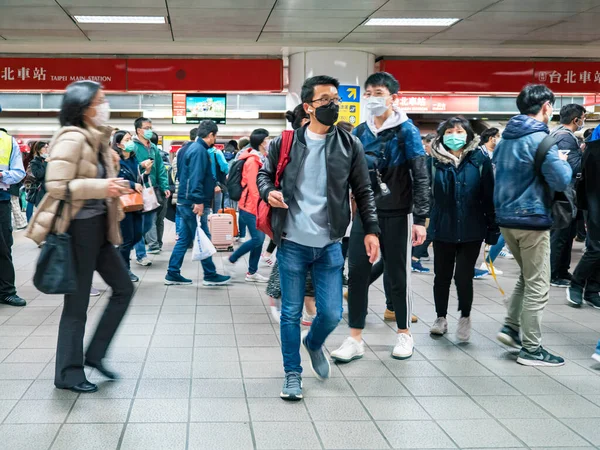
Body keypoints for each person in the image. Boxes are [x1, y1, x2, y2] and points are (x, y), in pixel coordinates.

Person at [258, 75, 379, 401]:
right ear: (308, 107)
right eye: (325, 100)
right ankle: (293, 374)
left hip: (329, 244)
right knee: (291, 314)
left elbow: (363, 191)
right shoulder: (284, 142)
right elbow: (264, 175)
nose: (333, 105)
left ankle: (313, 344)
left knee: (331, 313)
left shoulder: (349, 144)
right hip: (292, 243)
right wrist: (268, 192)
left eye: (335, 99)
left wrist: (371, 230)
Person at [27, 80, 135, 393]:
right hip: (76, 229)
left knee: (124, 287)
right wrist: (104, 187)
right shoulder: (71, 137)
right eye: (100, 100)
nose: (105, 105)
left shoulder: (96, 138)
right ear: (84, 107)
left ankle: (95, 354)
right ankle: (68, 373)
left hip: (98, 227)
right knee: (77, 304)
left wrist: (114, 184)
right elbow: (57, 186)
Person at [332, 72, 428, 365]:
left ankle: (404, 333)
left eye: (379, 92)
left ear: (393, 97)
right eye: (369, 92)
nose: (373, 98)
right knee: (358, 274)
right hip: (365, 215)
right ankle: (355, 338)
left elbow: (421, 175)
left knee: (398, 275)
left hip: (398, 213)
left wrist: (421, 218)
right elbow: (349, 174)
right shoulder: (360, 132)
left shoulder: (406, 131)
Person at [493, 84, 572, 366]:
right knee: (538, 284)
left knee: (527, 277)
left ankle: (512, 328)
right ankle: (532, 349)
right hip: (532, 220)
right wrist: (564, 163)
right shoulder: (541, 139)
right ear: (546, 107)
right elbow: (561, 180)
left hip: (506, 220)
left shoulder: (504, 139)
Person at [426, 117, 498, 341]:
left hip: (471, 228)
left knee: (464, 277)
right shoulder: (433, 161)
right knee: (442, 276)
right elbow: (427, 195)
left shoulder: (479, 160)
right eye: (449, 131)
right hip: (443, 227)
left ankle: (465, 317)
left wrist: (492, 227)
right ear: (441, 135)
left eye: (459, 131)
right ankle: (440, 318)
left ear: (468, 135)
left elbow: (489, 195)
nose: (454, 135)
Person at [165, 120, 230, 286]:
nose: (215, 140)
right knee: (203, 236)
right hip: (191, 203)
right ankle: (210, 274)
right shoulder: (199, 151)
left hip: (185, 201)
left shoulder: (190, 149)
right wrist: (198, 201)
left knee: (185, 238)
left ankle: (173, 272)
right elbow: (196, 177)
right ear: (210, 135)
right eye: (215, 136)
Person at [549, 103, 587, 288]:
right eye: (583, 118)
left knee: (567, 234)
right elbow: (574, 167)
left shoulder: (558, 134)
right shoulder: (564, 138)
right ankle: (554, 273)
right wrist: (585, 153)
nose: (583, 121)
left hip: (564, 194)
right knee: (560, 235)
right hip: (563, 195)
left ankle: (562, 270)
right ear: (576, 119)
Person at [226, 128, 270, 282]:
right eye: (267, 139)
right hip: (250, 205)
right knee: (258, 239)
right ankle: (231, 259)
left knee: (259, 239)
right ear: (261, 142)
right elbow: (253, 186)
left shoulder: (260, 158)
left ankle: (252, 272)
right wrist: (264, 201)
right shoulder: (252, 161)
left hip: (255, 205)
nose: (269, 142)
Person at [567, 124, 600, 309]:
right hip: (594, 203)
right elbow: (584, 180)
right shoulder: (594, 147)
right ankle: (576, 284)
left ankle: (593, 290)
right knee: (596, 248)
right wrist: (585, 210)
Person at [113, 130, 152, 282]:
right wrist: (131, 184)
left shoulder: (134, 160)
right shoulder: (115, 160)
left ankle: (118, 256)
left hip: (136, 202)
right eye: (127, 139)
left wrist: (146, 172)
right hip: (123, 203)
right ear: (118, 144)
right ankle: (124, 270)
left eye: (131, 139)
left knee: (137, 234)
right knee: (127, 238)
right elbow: (114, 180)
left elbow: (139, 179)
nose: (130, 142)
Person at [476, 127, 514, 277]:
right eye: (497, 136)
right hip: (489, 198)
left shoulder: (498, 154)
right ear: (492, 138)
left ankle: (486, 262)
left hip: (497, 197)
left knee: (499, 231)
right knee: (501, 232)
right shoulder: (479, 153)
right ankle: (486, 263)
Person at [131, 117, 170, 265]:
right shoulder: (132, 147)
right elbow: (131, 167)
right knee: (140, 222)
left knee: (149, 222)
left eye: (150, 127)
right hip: (138, 188)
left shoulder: (153, 147)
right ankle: (142, 254)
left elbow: (160, 168)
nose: (149, 130)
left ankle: (133, 245)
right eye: (146, 128)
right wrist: (142, 167)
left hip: (152, 189)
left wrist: (165, 186)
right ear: (138, 130)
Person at [0, 126, 26, 306]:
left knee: (3, 247)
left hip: (1, 200)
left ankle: (7, 291)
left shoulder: (7, 141)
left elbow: (19, 173)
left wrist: (2, 174)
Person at [145, 131, 169, 253]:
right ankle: (158, 243)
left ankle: (153, 245)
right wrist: (165, 187)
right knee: (160, 219)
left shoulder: (145, 153)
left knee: (151, 218)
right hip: (161, 190)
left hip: (150, 189)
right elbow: (163, 173)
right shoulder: (164, 155)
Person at [24, 141, 49, 221]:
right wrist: (45, 163)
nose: (47, 149)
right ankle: (29, 224)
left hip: (46, 188)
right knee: (31, 204)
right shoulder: (34, 162)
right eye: (45, 147)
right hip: (36, 187)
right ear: (39, 149)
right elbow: (39, 174)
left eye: (47, 147)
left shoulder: (49, 159)